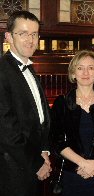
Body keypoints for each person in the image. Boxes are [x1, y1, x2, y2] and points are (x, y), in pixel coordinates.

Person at [50, 50, 94, 196]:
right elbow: (56, 141)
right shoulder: (62, 103)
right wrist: (83, 164)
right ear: (73, 73)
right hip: (72, 175)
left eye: (90, 68)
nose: (85, 72)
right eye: (80, 68)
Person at [0, 11, 51, 196]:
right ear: (8, 37)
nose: (30, 39)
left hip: (32, 164)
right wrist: (36, 163)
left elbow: (40, 117)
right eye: (23, 33)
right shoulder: (2, 71)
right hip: (11, 172)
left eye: (34, 34)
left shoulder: (30, 68)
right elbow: (6, 130)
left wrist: (45, 149)